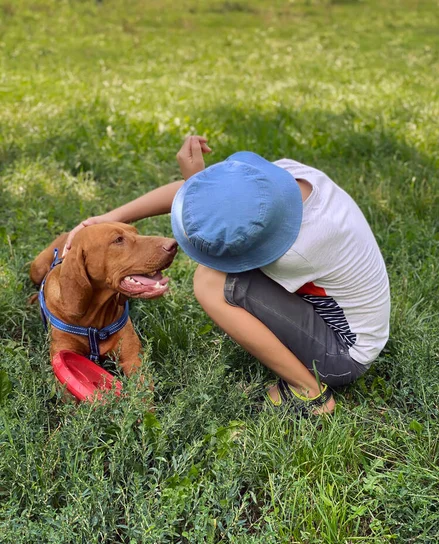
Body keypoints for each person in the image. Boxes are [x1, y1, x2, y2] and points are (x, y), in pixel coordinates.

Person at [64, 135, 390, 417]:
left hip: (344, 355)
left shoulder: (297, 249)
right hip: (349, 323)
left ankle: (309, 392)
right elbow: (219, 201)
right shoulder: (284, 179)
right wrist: (111, 217)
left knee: (211, 283)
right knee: (220, 273)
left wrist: (196, 179)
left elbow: (211, 235)